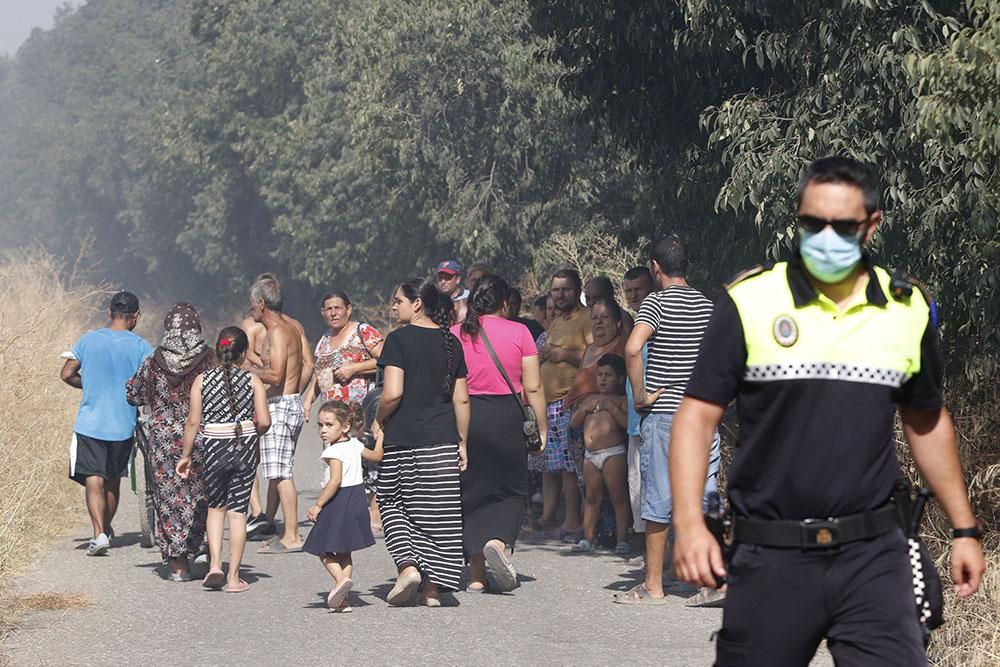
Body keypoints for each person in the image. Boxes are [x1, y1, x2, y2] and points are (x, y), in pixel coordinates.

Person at [670, 156, 986, 664]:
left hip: (874, 555)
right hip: (771, 555)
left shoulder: (906, 310)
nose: (826, 236)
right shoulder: (751, 302)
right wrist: (688, 522)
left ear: (872, 224)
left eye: (842, 226)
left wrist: (964, 528)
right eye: (813, 223)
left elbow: (925, 422)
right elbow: (697, 415)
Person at [615, 234, 718, 605]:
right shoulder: (707, 305)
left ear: (655, 268)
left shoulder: (655, 303)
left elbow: (631, 347)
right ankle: (711, 582)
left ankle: (652, 585)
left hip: (665, 414)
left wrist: (640, 395)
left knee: (658, 498)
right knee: (704, 494)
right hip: (702, 414)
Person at [374, 279, 470, 607]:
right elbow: (462, 401)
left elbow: (393, 393)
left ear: (417, 304)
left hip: (404, 439)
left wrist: (378, 418)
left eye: (397, 300)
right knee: (439, 515)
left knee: (391, 502)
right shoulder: (451, 343)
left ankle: (408, 566)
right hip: (443, 439)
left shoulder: (398, 340)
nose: (393, 307)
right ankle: (433, 590)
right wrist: (463, 443)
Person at [452, 275, 548, 593]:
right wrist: (542, 429)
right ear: (505, 303)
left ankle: (477, 575)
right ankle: (498, 540)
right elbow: (533, 386)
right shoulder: (520, 332)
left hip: (467, 417)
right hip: (507, 416)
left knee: (471, 493)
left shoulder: (456, 334)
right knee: (511, 491)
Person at [178, 328, 271, 592]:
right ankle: (233, 578)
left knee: (215, 509)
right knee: (238, 513)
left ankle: (216, 565)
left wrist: (185, 456)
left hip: (213, 450)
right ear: (243, 353)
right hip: (243, 449)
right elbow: (264, 421)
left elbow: (193, 421)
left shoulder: (202, 380)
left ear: (218, 351)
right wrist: (251, 432)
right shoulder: (252, 381)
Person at [61, 290, 153, 556]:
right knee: (113, 480)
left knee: (94, 479)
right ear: (136, 316)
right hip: (122, 426)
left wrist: (88, 384)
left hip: (89, 424)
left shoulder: (89, 340)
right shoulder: (140, 347)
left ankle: (99, 533)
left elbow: (67, 373)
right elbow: (149, 381)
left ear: (110, 312)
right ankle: (106, 529)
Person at [126, 302, 214, 580]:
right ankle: (202, 549)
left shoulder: (153, 362)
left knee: (170, 500)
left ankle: (179, 565)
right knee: (203, 496)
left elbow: (133, 394)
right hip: (202, 437)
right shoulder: (210, 359)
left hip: (163, 442)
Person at [302, 290, 385, 530]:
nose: (333, 313)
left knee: (366, 461)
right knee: (338, 462)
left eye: (338, 308)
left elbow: (387, 357)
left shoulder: (363, 332)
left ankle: (375, 514)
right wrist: (308, 400)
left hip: (360, 414)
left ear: (349, 309)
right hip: (334, 417)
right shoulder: (324, 340)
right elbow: (321, 376)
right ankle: (344, 511)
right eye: (328, 309)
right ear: (322, 313)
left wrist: (354, 369)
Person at [240, 272, 314, 538]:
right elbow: (307, 364)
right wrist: (297, 392)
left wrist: (244, 373)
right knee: (277, 468)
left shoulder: (279, 331)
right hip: (287, 401)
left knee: (281, 473)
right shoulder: (292, 326)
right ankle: (269, 521)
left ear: (261, 303)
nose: (249, 308)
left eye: (251, 303)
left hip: (280, 405)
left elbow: (275, 374)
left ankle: (291, 535)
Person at [304, 401, 384, 612]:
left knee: (322, 547)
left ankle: (340, 580)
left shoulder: (333, 452)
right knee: (344, 551)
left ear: (345, 426)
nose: (323, 430)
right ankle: (342, 599)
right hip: (357, 500)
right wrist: (381, 436)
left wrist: (318, 505)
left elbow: (335, 481)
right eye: (320, 425)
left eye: (329, 425)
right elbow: (377, 456)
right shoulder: (356, 444)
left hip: (339, 501)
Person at [532, 268, 592, 538]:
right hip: (548, 405)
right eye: (555, 290)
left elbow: (593, 354)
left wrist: (562, 353)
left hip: (569, 402)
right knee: (549, 466)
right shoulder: (555, 322)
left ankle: (571, 520)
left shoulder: (586, 318)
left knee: (569, 467)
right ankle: (548, 516)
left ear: (576, 289)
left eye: (565, 289)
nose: (560, 294)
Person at [567, 354, 630, 555]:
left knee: (618, 496)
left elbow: (627, 424)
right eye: (600, 374)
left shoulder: (620, 400)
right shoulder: (590, 399)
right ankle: (587, 537)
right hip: (591, 455)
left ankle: (622, 539)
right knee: (592, 497)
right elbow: (573, 422)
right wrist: (584, 409)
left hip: (613, 453)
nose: (602, 379)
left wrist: (611, 408)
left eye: (608, 375)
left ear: (619, 379)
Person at [621, 266, 655, 537]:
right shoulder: (635, 324)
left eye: (639, 290)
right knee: (636, 483)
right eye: (629, 291)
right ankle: (645, 544)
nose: (634, 296)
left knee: (655, 484)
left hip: (654, 416)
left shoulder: (658, 324)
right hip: (634, 420)